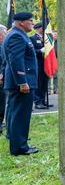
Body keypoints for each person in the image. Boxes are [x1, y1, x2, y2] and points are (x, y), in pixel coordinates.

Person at [3, 12, 39, 155]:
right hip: (21, 83)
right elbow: (16, 60)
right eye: (30, 21)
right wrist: (22, 82)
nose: (32, 23)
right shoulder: (17, 36)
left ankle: (15, 139)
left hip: (16, 82)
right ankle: (19, 147)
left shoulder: (17, 34)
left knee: (15, 112)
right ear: (21, 22)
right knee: (20, 114)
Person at [31, 22, 50, 109]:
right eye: (43, 27)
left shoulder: (46, 38)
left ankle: (43, 100)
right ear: (39, 28)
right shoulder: (32, 38)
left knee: (45, 82)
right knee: (39, 82)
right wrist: (40, 51)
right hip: (38, 63)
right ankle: (38, 102)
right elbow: (31, 51)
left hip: (46, 62)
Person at [0, 25, 7, 133]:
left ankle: (1, 122)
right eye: (5, 32)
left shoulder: (2, 45)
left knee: (2, 101)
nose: (6, 34)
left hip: (3, 76)